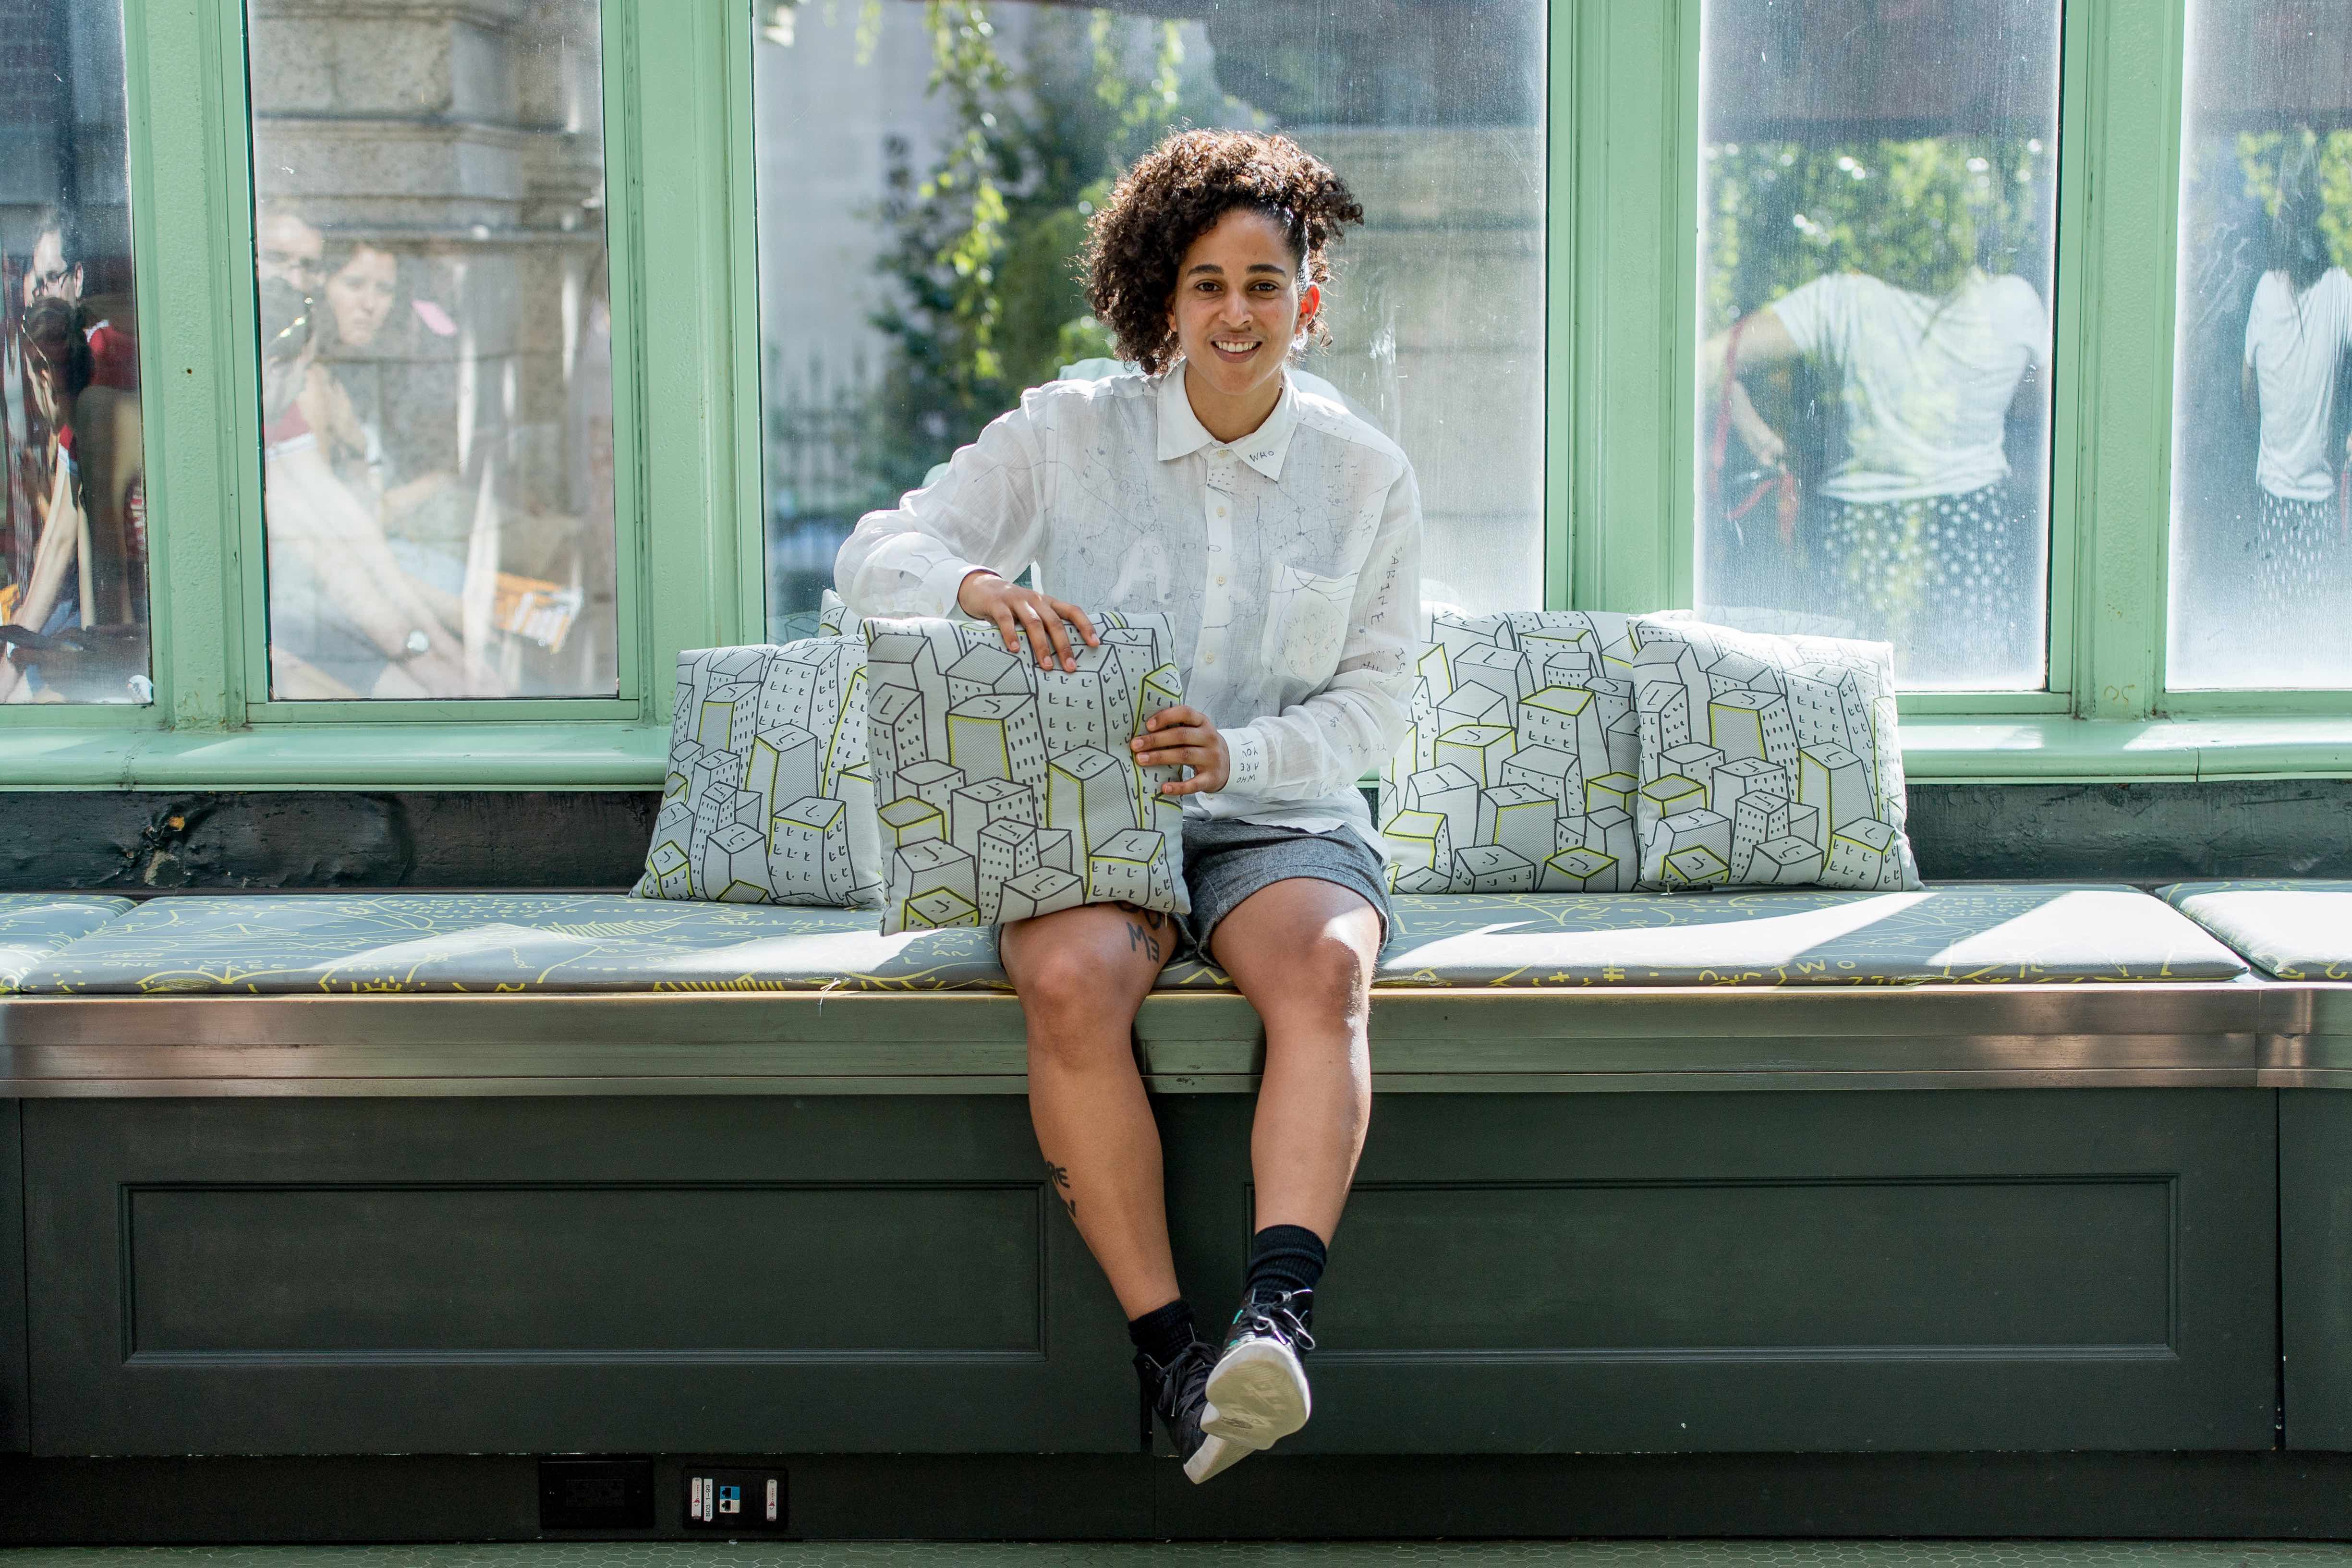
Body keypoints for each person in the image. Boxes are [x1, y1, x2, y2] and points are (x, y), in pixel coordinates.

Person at [837, 129, 1418, 1484]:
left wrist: (1241, 755)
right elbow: (883, 553)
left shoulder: (1366, 474)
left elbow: (1378, 706)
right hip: (1091, 816)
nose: (1234, 312)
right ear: (1164, 297)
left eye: (1264, 283)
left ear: (1307, 303)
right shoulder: (1066, 429)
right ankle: (1172, 1361)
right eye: (1206, 282)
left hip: (1275, 810)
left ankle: (1275, 1325)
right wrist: (976, 587)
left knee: (1329, 963)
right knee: (1066, 978)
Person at [1704, 190, 2048, 679]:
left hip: (1855, 526)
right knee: (1973, 691)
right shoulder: (2014, 301)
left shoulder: (1841, 300)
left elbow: (1711, 358)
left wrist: (1745, 417)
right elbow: (2056, 407)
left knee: (1850, 699)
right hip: (1970, 520)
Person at [255, 276, 495, 700]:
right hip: (276, 622)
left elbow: (352, 528)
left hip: (303, 609)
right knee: (418, 699)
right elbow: (328, 557)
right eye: (305, 370)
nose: (306, 382)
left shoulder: (280, 410)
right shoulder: (258, 418)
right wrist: (419, 654)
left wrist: (438, 642)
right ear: (276, 369)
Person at [2239, 182, 2352, 640]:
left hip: (2272, 489)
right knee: (2317, 630)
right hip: (2320, 496)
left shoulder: (2267, 290)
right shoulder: (2342, 290)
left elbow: (2246, 384)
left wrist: (2264, 430)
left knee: (2273, 625)